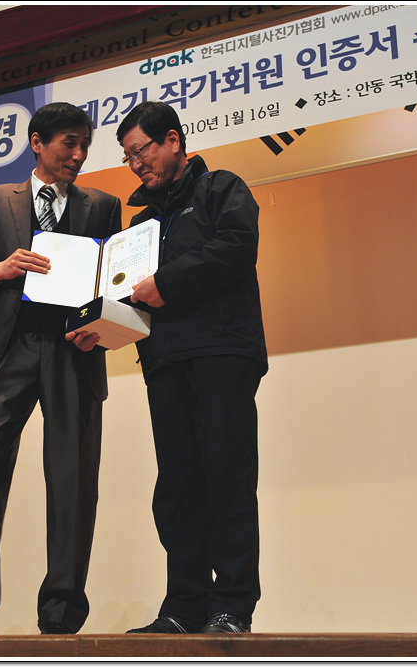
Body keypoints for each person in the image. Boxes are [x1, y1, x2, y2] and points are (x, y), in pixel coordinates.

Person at [0, 102, 122, 636]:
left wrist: (105, 322)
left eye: (85, 145)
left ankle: (61, 614)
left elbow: (114, 280)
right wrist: (0, 268)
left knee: (73, 479)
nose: (78, 155)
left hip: (74, 352)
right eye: (68, 143)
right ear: (37, 142)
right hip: (8, 349)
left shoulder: (104, 206)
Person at [116, 101, 268, 634]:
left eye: (142, 150)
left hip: (223, 352)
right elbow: (130, 295)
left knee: (227, 476)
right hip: (164, 360)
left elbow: (237, 247)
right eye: (128, 157)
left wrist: (167, 283)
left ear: (173, 140)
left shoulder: (221, 187)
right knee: (177, 488)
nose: (137, 163)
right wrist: (102, 324)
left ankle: (232, 606)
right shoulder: (139, 225)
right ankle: (184, 606)